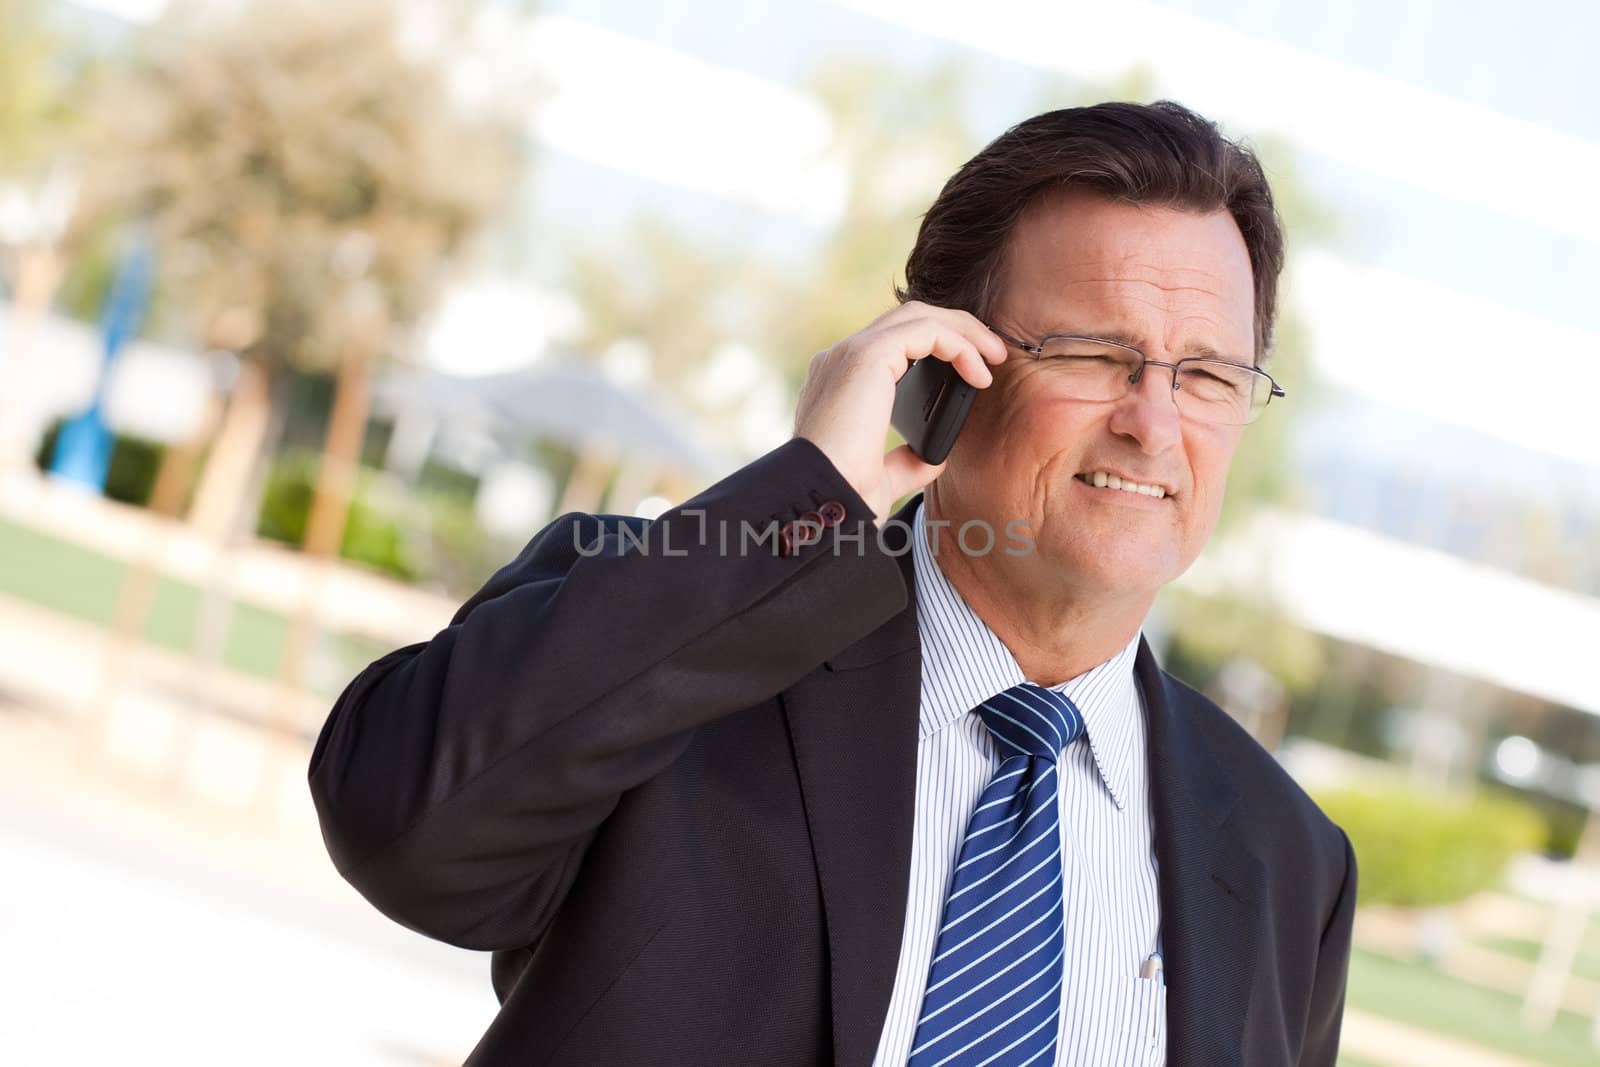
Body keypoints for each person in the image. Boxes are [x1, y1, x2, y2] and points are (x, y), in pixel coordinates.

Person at [309, 99, 1356, 1067]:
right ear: (943, 371)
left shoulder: (1286, 865)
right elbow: (405, 833)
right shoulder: (683, 642)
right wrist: (806, 497)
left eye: (1209, 375)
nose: (1155, 422)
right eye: (1092, 354)